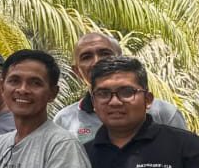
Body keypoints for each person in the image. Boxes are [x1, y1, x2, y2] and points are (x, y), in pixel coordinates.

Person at [54, 31, 189, 142]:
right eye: (86, 57)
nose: (97, 61)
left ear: (120, 59)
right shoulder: (64, 120)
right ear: (77, 71)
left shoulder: (163, 113)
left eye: (105, 53)